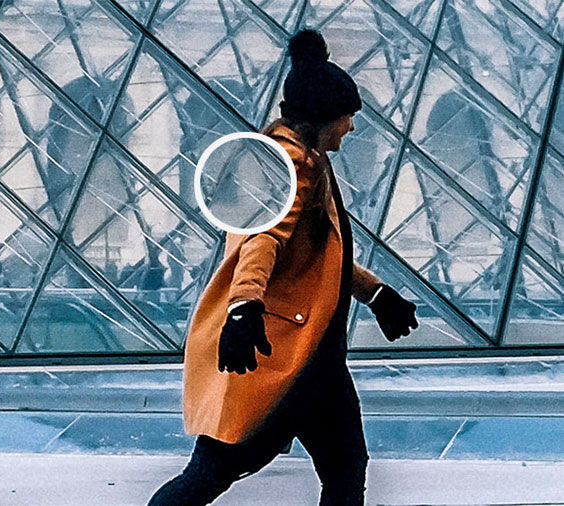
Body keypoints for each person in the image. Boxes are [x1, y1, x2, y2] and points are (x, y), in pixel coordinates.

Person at [148, 30, 420, 505]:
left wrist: (376, 294)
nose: (351, 128)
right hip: (285, 353)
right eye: (347, 117)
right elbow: (263, 240)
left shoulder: (297, 155)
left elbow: (315, 255)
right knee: (216, 470)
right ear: (323, 118)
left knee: (343, 466)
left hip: (313, 356)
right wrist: (243, 307)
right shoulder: (294, 163)